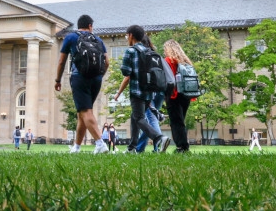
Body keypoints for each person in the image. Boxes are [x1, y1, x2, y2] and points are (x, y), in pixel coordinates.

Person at [55, 14, 111, 154]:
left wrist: (57, 80)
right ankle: (76, 147)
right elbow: (107, 62)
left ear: (78, 25)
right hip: (96, 79)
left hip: (79, 77)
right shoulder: (98, 39)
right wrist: (99, 76)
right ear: (90, 26)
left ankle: (100, 143)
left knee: (85, 111)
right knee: (82, 112)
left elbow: (62, 61)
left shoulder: (71, 37)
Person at [115, 25, 167, 153]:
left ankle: (158, 137)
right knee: (135, 117)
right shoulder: (149, 51)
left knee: (139, 118)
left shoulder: (131, 51)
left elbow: (126, 72)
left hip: (136, 91)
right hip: (148, 92)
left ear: (131, 35)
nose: (126, 38)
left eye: (127, 35)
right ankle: (132, 148)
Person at [160, 39, 194, 153]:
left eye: (165, 49)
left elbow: (166, 78)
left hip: (173, 94)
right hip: (186, 94)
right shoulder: (185, 61)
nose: (164, 52)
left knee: (176, 122)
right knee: (180, 121)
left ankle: (182, 147)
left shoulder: (168, 61)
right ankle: (183, 145)